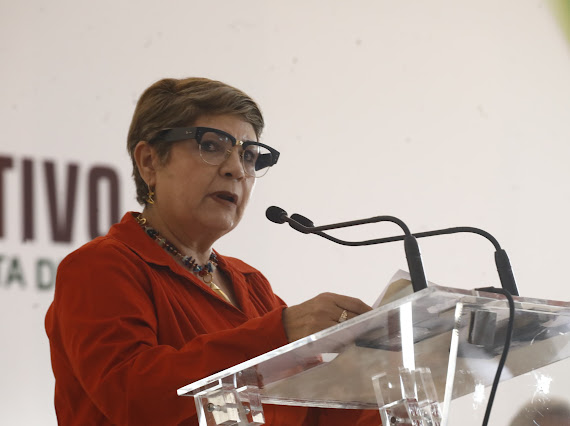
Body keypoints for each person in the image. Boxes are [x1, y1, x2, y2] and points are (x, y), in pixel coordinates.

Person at [45, 77, 380, 425]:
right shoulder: (101, 267)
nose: (236, 169)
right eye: (211, 146)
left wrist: (387, 388)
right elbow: (134, 397)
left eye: (248, 156)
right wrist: (278, 333)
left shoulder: (251, 285)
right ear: (149, 162)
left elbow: (315, 412)